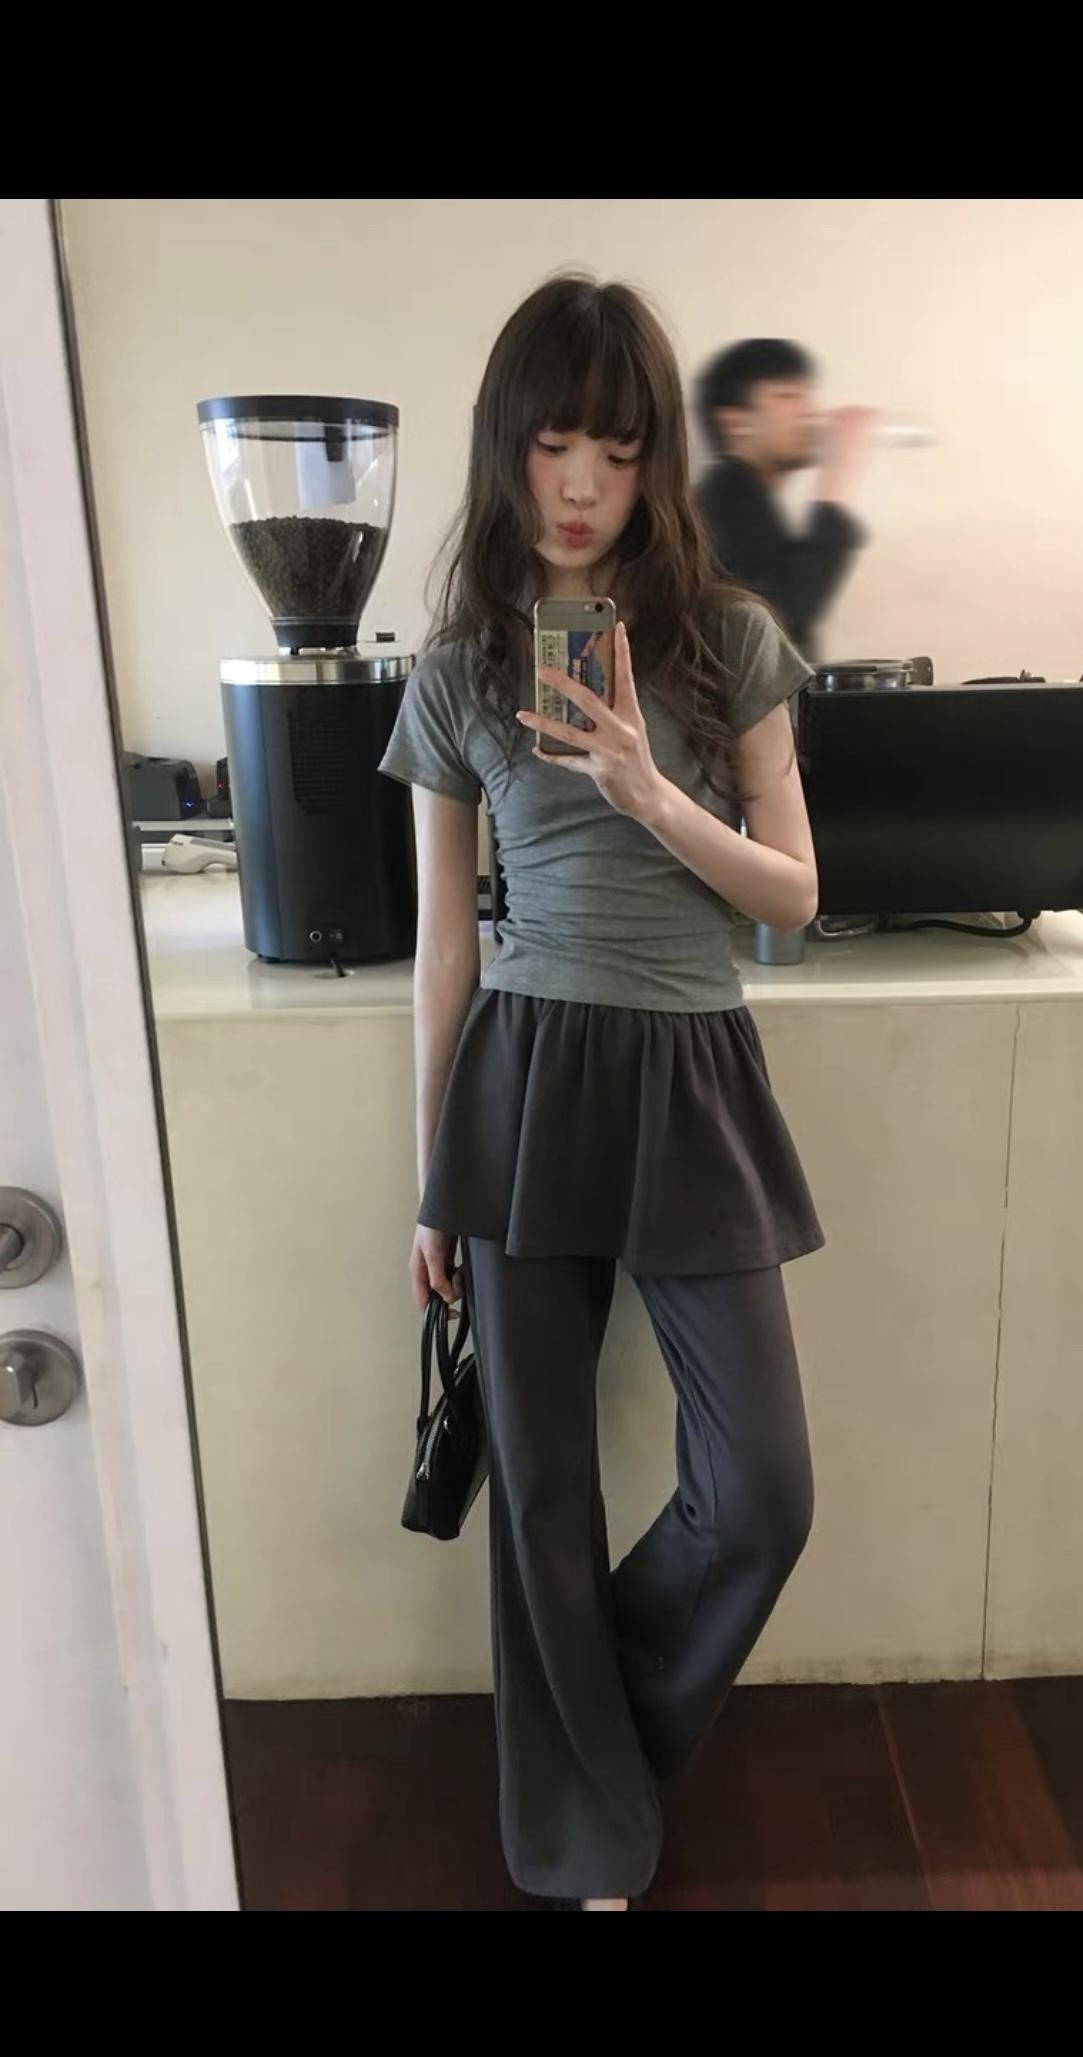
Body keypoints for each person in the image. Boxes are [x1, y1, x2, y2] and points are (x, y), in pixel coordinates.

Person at [379, 276, 824, 1911]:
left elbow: (792, 897)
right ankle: (577, 1833)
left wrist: (646, 788)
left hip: (691, 1074)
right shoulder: (457, 670)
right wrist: (430, 1178)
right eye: (551, 443)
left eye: (617, 452)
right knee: (543, 1489)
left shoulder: (727, 643)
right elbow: (444, 947)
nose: (578, 484)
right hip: (523, 1083)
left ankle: (590, 1742)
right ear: (506, 447)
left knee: (758, 1491)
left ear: (655, 466)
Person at [696, 337, 874, 658]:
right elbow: (784, 616)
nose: (809, 413)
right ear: (735, 423)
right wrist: (841, 470)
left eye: (808, 396)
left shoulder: (744, 495)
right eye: (787, 396)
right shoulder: (725, 499)